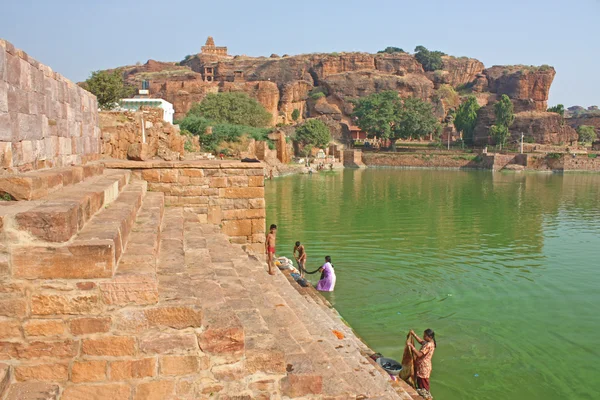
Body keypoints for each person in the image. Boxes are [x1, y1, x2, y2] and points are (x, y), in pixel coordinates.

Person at [407, 329, 436, 397]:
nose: (423, 337)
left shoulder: (428, 345)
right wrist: (414, 334)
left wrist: (411, 346)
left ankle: (426, 397)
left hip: (424, 367)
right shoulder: (429, 342)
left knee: (424, 386)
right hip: (422, 366)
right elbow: (421, 342)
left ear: (430, 337)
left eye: (425, 336)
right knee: (421, 384)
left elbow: (419, 354)